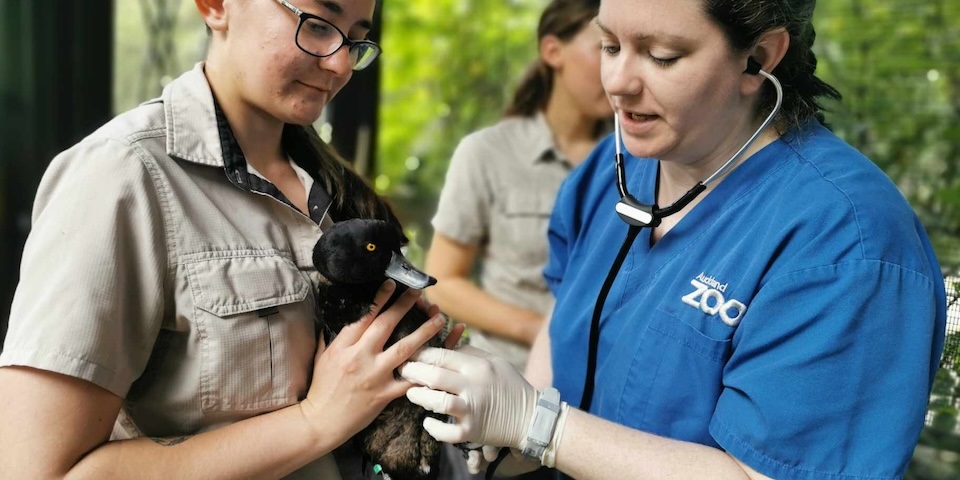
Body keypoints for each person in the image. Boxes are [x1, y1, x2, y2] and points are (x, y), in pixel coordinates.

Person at [399, 0, 948, 479]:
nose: (617, 82)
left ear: (759, 57)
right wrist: (507, 442)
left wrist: (539, 426)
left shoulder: (847, 245)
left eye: (662, 55)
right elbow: (563, 318)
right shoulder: (611, 169)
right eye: (609, 45)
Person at [0, 0, 459, 478]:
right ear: (216, 6)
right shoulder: (121, 176)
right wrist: (315, 421)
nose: (340, 63)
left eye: (356, 39)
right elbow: (37, 471)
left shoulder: (335, 192)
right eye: (319, 25)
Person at [425, 0, 612, 372]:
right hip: (505, 383)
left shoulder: (642, 164)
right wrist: (540, 330)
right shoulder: (487, 153)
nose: (619, 70)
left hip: (604, 390)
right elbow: (441, 283)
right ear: (553, 51)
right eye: (606, 49)